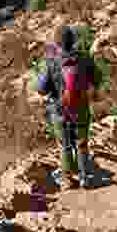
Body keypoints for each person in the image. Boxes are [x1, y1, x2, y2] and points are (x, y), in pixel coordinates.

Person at [36, 24, 102, 189]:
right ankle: (85, 177)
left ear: (57, 43)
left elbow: (42, 89)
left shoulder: (51, 61)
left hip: (59, 111)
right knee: (82, 143)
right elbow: (97, 79)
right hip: (81, 108)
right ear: (73, 40)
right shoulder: (84, 58)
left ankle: (67, 180)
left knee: (64, 145)